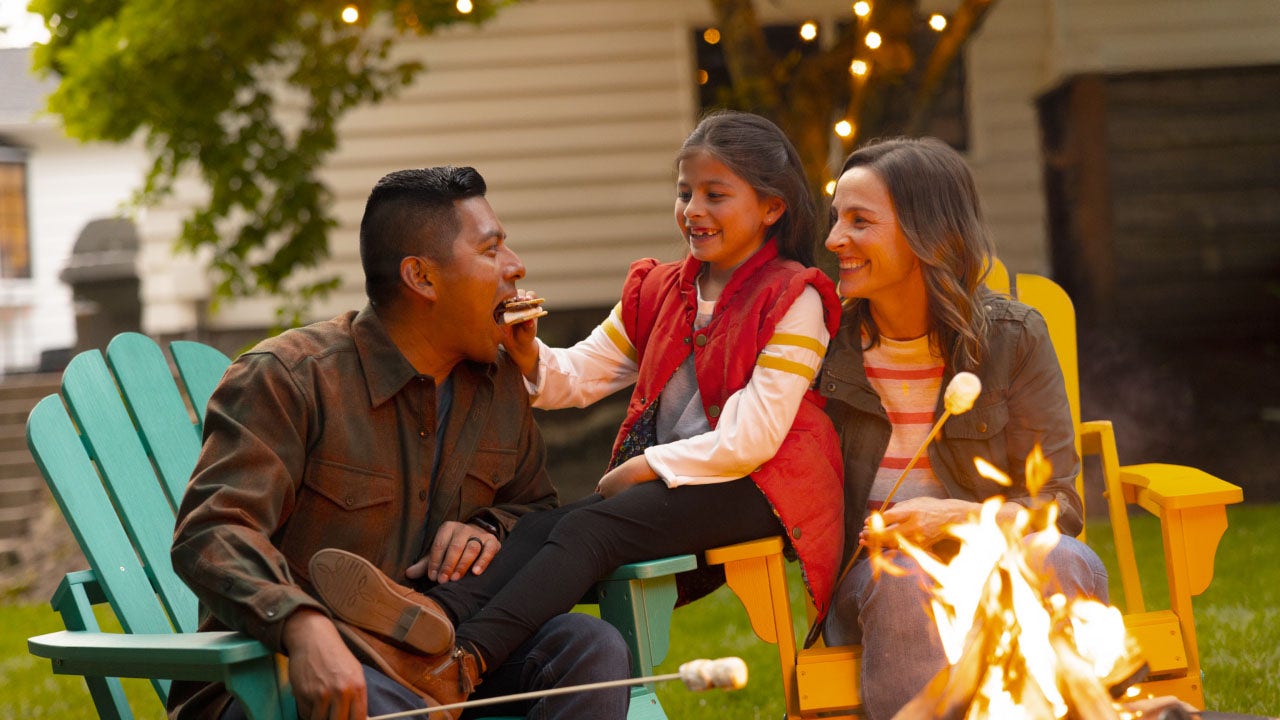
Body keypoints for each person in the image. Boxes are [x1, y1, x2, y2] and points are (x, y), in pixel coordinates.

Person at [306, 110, 846, 712]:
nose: (693, 209)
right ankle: (424, 621)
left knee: (589, 530)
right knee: (540, 528)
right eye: (684, 191)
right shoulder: (661, 290)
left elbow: (753, 436)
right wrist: (529, 354)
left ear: (772, 207)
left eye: (715, 195)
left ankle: (462, 665)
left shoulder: (796, 299)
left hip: (759, 486)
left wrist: (646, 467)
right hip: (676, 486)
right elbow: (582, 374)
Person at [168, 166, 631, 720]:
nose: (515, 267)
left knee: (587, 647)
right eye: (491, 250)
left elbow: (532, 509)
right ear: (422, 278)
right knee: (381, 698)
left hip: (441, 670)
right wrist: (302, 626)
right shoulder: (289, 379)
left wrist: (488, 529)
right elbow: (214, 530)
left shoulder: (498, 385)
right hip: (278, 680)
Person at [817, 136, 1110, 719]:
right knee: (903, 582)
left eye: (859, 221)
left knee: (1064, 558)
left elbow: (1060, 504)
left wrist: (961, 518)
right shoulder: (824, 346)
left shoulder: (1013, 337)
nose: (833, 240)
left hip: (997, 552)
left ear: (927, 234)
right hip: (879, 579)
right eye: (835, 219)